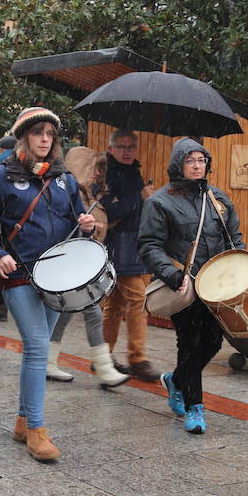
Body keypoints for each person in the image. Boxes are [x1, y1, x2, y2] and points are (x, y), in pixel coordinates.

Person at [0, 107, 95, 461]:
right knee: (38, 346)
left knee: (36, 349)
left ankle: (23, 420)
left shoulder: (64, 177)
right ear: (24, 137)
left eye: (50, 134)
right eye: (38, 133)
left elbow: (74, 218)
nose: (44, 140)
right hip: (18, 273)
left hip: (58, 276)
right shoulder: (2, 177)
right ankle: (37, 430)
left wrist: (86, 224)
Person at [139, 138, 244, 434]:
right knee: (190, 342)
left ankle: (176, 379)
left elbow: (233, 237)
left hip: (216, 285)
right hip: (183, 285)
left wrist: (243, 265)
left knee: (213, 341)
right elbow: (149, 246)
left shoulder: (218, 198)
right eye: (191, 160)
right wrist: (172, 275)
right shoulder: (160, 201)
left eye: (201, 160)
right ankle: (194, 407)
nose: (197, 166)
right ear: (178, 164)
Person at [47, 147, 129, 388]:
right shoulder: (70, 194)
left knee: (63, 314)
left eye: (100, 168)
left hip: (82, 263)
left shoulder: (92, 195)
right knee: (91, 312)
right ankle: (104, 369)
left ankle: (48, 362)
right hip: (69, 262)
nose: (97, 173)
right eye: (94, 167)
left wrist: (97, 226)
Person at [98, 129, 160, 381]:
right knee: (138, 300)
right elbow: (110, 210)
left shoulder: (133, 171)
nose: (127, 151)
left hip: (132, 244)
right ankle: (137, 358)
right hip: (117, 245)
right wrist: (141, 196)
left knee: (114, 304)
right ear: (111, 148)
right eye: (121, 146)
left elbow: (133, 209)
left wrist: (147, 198)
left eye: (131, 147)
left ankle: (104, 356)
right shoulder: (105, 172)